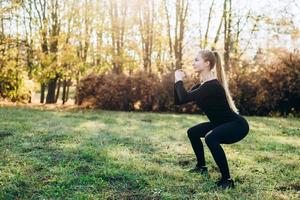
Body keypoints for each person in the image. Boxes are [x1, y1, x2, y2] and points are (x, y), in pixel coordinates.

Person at [174, 49, 249, 189]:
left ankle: (227, 180)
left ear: (207, 63)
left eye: (197, 60)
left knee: (210, 138)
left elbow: (183, 97)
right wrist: (176, 81)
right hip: (220, 123)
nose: (193, 63)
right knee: (193, 132)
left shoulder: (212, 86)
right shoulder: (202, 86)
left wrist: (178, 79)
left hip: (237, 125)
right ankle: (201, 167)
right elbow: (180, 100)